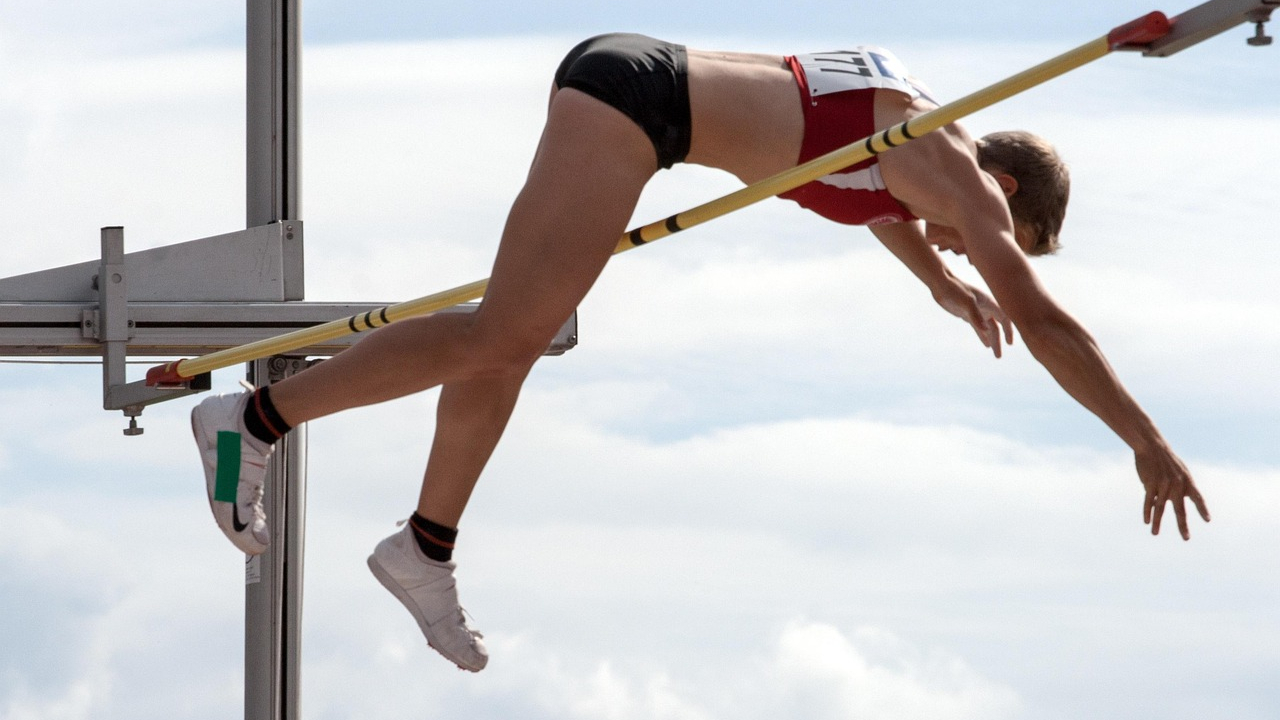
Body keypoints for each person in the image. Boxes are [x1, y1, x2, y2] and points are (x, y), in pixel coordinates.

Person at [190, 33, 1211, 672]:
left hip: (632, 83)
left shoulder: (913, 148)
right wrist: (1145, 438)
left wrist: (935, 280)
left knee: (510, 344)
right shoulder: (959, 176)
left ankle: (423, 548)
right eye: (989, 242)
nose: (969, 248)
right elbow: (1046, 324)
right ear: (1008, 196)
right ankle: (254, 420)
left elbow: (872, 190)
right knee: (502, 331)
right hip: (636, 107)